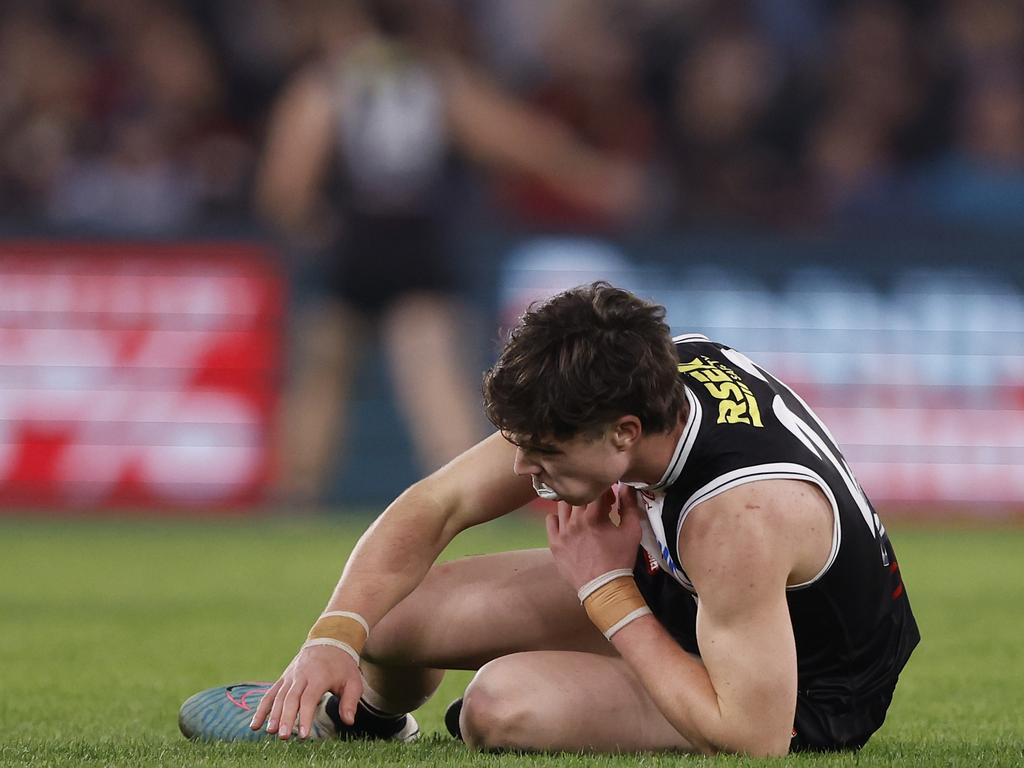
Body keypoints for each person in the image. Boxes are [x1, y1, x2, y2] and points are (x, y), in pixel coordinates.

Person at [179, 282, 919, 756]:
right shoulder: (644, 379)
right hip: (696, 595)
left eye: (546, 455)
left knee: (502, 706)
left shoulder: (736, 517)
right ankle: (366, 718)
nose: (529, 475)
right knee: (390, 618)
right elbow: (437, 504)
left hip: (799, 689)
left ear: (623, 434)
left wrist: (608, 594)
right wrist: (331, 636)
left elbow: (753, 739)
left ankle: (595, 668)